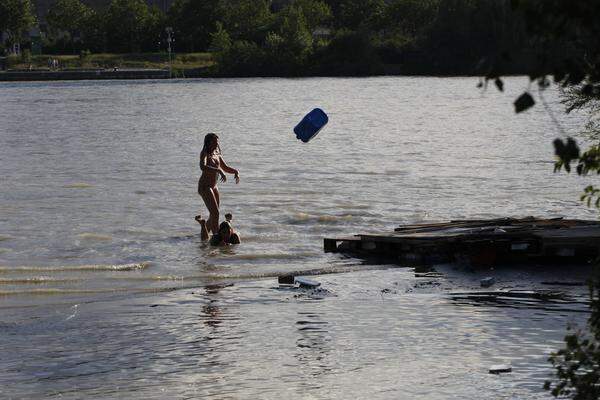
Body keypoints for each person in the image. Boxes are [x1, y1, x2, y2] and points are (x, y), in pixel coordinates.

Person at [197, 133, 239, 234]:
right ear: (208, 142)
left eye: (217, 142)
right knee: (215, 213)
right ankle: (216, 236)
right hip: (205, 187)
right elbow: (202, 167)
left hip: (214, 186)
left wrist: (236, 171)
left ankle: (204, 234)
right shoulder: (204, 153)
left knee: (213, 215)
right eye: (214, 142)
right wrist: (218, 170)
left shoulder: (217, 153)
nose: (216, 144)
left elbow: (225, 167)